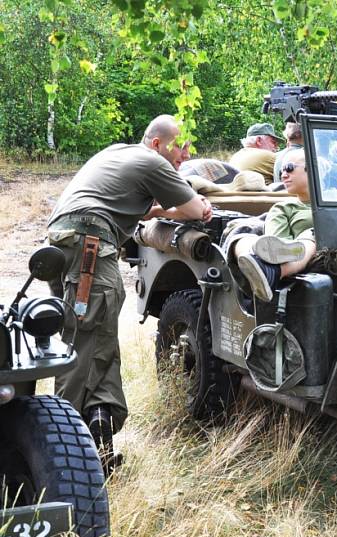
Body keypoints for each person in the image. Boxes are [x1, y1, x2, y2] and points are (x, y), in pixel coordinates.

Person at [47, 114, 213, 474]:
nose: (183, 158)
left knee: (99, 344)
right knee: (84, 345)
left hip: (67, 244)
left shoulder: (120, 154)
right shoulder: (153, 161)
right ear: (157, 143)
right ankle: (63, 458)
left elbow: (145, 207)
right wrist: (201, 204)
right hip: (90, 248)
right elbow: (197, 210)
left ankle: (99, 448)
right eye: (179, 150)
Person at [225, 148, 317, 302]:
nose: (283, 175)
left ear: (312, 169)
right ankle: (269, 270)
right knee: (311, 235)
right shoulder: (284, 208)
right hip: (298, 254)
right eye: (282, 170)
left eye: (289, 168)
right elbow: (278, 247)